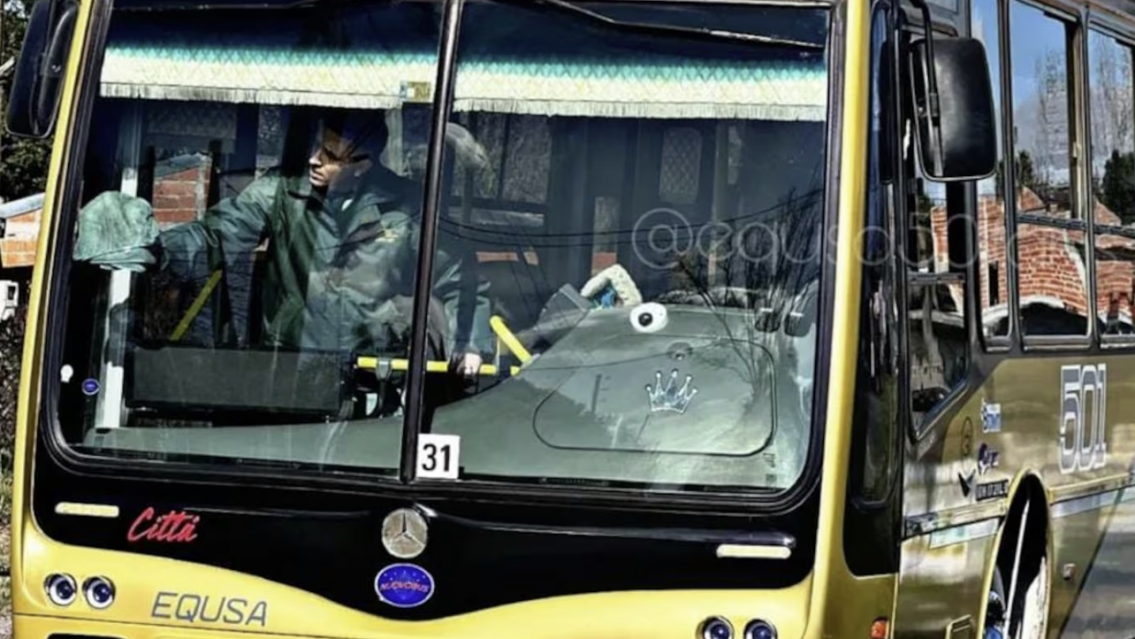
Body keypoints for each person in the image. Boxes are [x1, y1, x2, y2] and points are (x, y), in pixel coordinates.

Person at [76, 107, 492, 378]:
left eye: (329, 156)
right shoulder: (280, 192)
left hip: (376, 375)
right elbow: (215, 237)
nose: (313, 159)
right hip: (290, 372)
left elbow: (459, 281)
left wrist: (469, 343)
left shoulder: (407, 209)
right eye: (316, 147)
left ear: (362, 166)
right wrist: (158, 250)